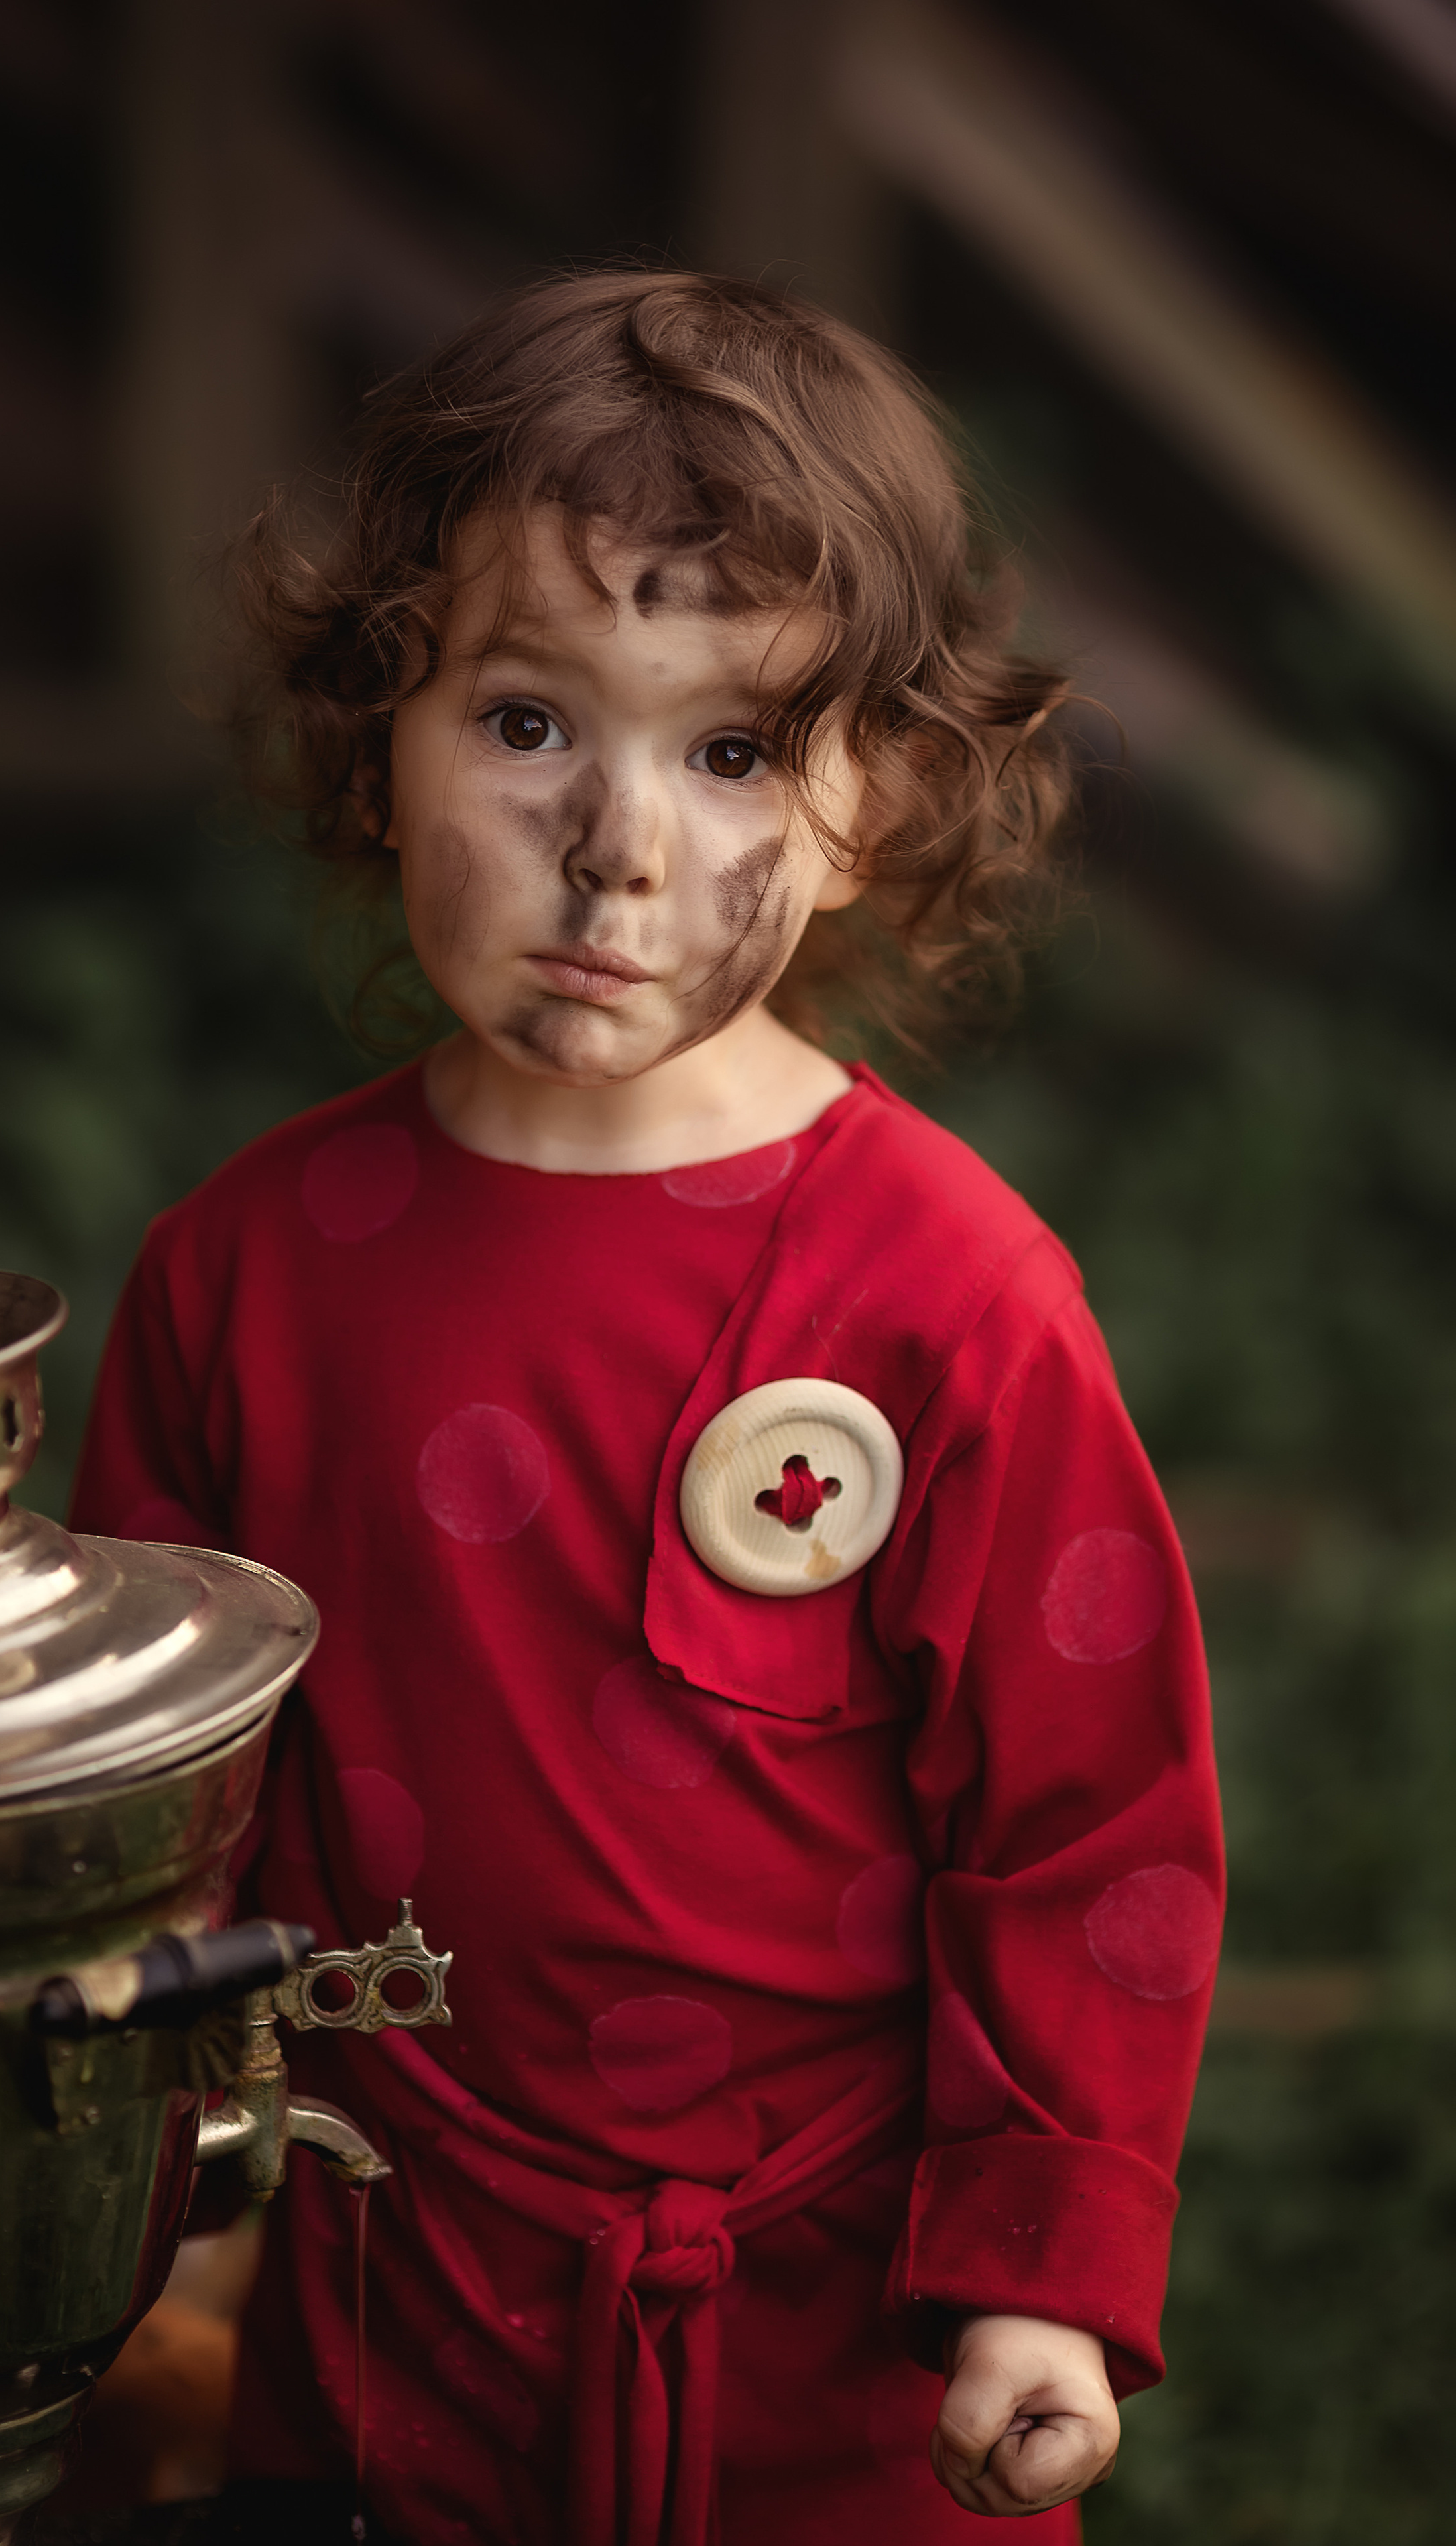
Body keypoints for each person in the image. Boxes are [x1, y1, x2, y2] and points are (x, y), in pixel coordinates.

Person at [70, 269, 1224, 2545]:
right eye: (526, 722)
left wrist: (1035, 2288)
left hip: (820, 2336)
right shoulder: (249, 1274)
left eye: (728, 752)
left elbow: (1086, 1836)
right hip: (389, 2297)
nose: (619, 848)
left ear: (871, 800)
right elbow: (154, 1810)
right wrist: (137, 2192)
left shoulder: (953, 1300)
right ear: (374, 722)